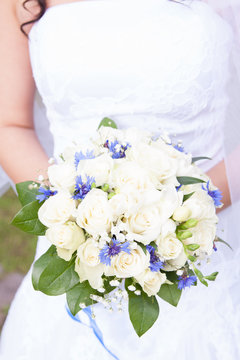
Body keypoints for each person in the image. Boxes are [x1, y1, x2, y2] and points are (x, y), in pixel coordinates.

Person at [0, 0, 239, 359]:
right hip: (76, 250)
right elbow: (9, 125)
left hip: (204, 238)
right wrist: (73, 212)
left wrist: (178, 216)